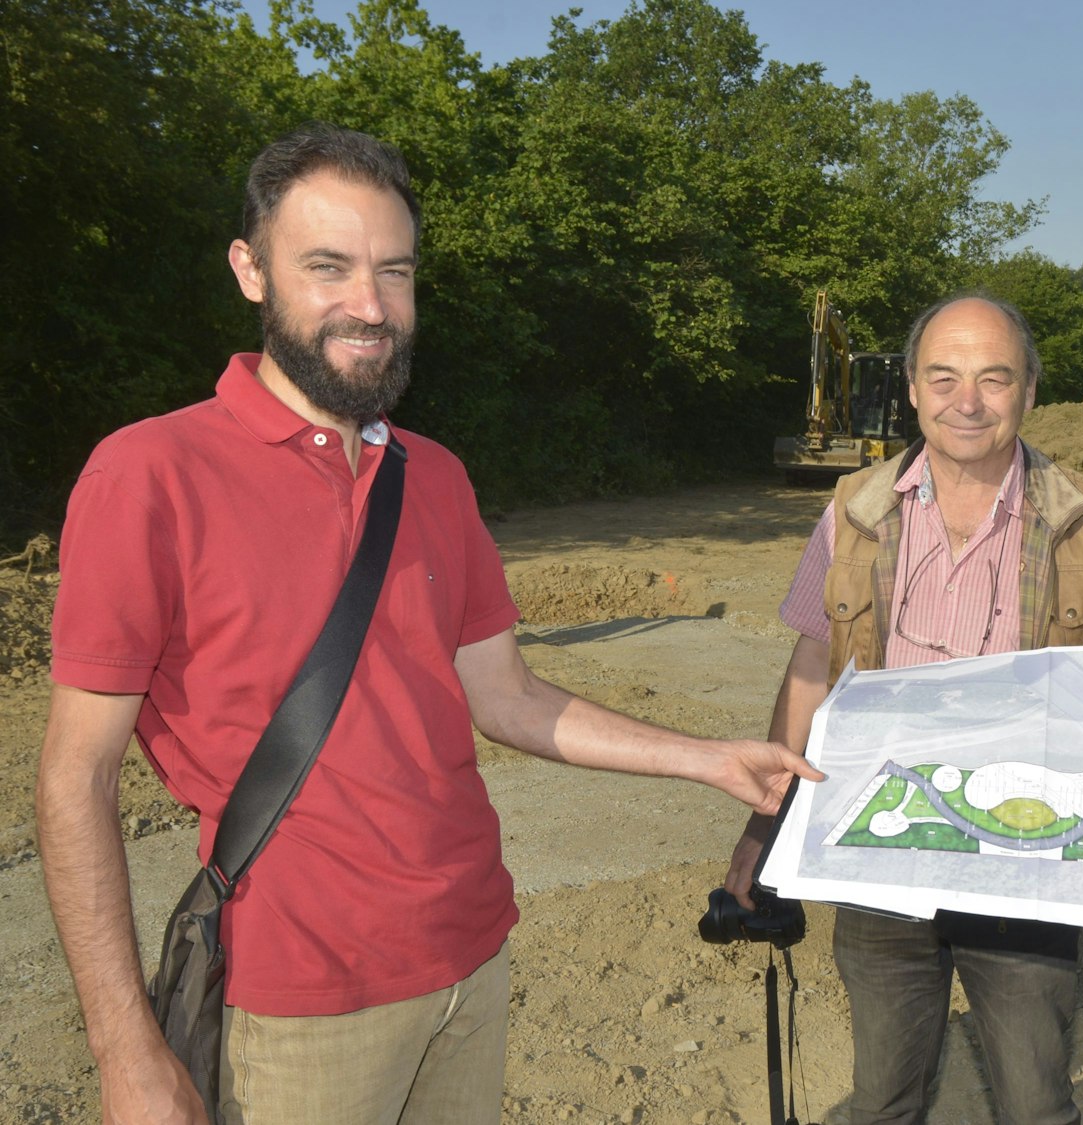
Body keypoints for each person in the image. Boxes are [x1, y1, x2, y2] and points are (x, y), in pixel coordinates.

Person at [35, 124, 822, 1125]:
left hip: (471, 956)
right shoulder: (151, 473)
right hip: (297, 1003)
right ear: (250, 270)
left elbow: (509, 696)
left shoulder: (434, 478)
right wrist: (125, 1051)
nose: (369, 306)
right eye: (328, 268)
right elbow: (75, 776)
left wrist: (706, 759)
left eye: (393, 272)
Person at [725, 294, 1083, 1125]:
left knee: (1036, 1103)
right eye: (945, 376)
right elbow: (812, 665)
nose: (969, 400)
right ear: (916, 391)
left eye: (994, 378)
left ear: (1029, 391)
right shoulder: (853, 510)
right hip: (882, 853)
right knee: (884, 1098)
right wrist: (764, 832)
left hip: (1026, 860)